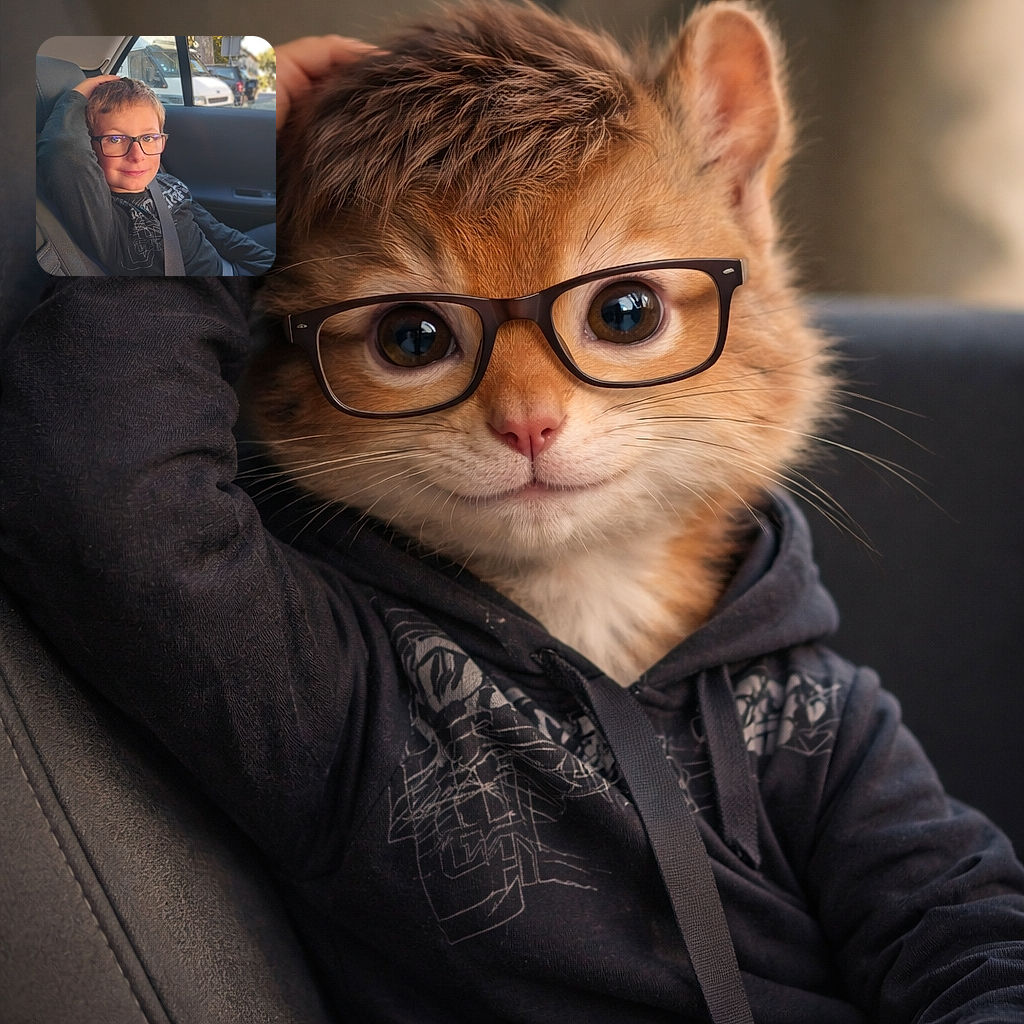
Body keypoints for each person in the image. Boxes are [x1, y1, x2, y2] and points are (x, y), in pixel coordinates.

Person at [36, 74, 275, 275]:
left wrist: (261, 261)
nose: (137, 155)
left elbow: (214, 230)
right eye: (115, 139)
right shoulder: (102, 215)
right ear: (90, 145)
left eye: (148, 138)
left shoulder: (165, 181)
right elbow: (62, 149)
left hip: (230, 267)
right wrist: (80, 93)